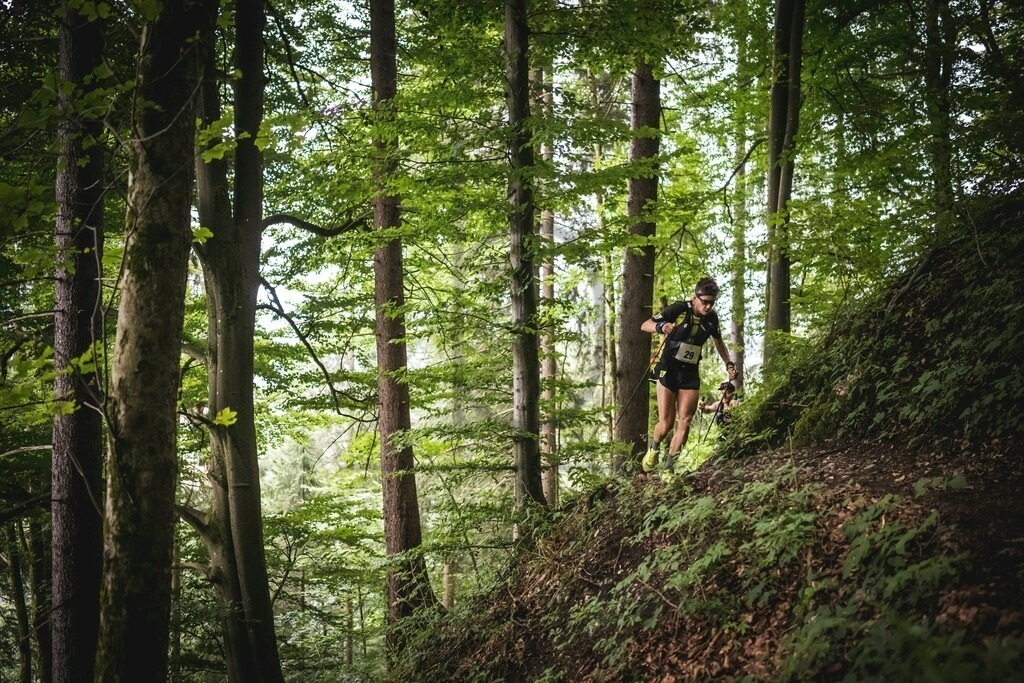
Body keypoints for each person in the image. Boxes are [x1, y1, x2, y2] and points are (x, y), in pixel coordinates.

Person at [640, 277, 734, 479]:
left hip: (690, 372)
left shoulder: (712, 318)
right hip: (668, 369)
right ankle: (654, 449)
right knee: (666, 423)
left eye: (712, 302)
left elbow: (719, 342)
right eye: (704, 302)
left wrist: (729, 364)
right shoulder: (679, 309)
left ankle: (668, 468)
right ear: (695, 297)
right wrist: (661, 327)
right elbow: (645, 325)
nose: (708, 306)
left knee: (686, 420)